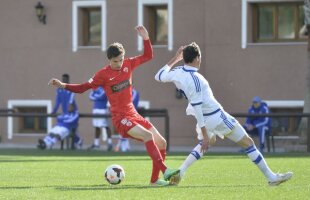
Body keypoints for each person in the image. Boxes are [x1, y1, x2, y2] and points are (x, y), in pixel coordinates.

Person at [48, 25, 180, 186]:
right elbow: (83, 88)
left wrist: (146, 38)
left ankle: (154, 180)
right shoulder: (102, 74)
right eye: (115, 61)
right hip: (121, 118)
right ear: (109, 60)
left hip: (134, 114)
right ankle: (165, 170)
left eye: (121, 60)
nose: (119, 63)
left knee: (162, 143)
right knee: (148, 136)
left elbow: (148, 55)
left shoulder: (128, 64)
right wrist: (63, 85)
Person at [154, 42, 293, 186]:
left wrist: (176, 59)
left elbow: (158, 76)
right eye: (200, 57)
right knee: (248, 143)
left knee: (206, 143)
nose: (200, 60)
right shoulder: (196, 80)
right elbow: (198, 108)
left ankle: (180, 172)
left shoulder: (177, 72)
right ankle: (271, 178)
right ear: (196, 58)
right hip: (216, 117)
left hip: (206, 119)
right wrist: (205, 134)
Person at [51, 74, 82, 148]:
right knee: (64, 129)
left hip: (72, 113)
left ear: (68, 80)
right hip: (65, 114)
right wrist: (54, 111)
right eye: (63, 79)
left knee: (72, 129)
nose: (64, 81)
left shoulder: (71, 89)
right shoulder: (59, 90)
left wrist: (70, 109)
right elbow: (57, 102)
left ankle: (77, 142)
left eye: (65, 80)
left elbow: (71, 100)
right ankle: (77, 142)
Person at [114, 87, 140, 152]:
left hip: (131, 114)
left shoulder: (134, 92)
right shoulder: (124, 92)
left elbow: (130, 102)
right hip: (124, 113)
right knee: (124, 129)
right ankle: (125, 147)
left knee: (126, 129)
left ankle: (121, 147)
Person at [87, 86, 113, 151]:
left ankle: (110, 143)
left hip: (103, 110)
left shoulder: (106, 88)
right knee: (96, 127)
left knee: (106, 126)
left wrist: (95, 96)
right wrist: (96, 96)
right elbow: (90, 97)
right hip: (95, 109)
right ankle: (96, 144)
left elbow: (101, 96)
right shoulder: (95, 88)